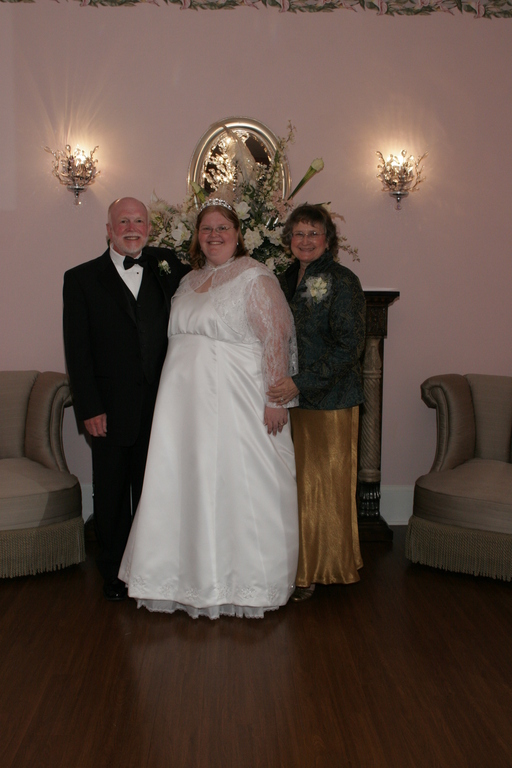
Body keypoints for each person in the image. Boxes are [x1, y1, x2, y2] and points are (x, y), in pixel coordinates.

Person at [119, 199, 299, 619]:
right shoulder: (188, 280)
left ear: (238, 234)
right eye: (206, 229)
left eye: (222, 228)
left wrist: (276, 399)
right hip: (183, 408)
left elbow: (275, 337)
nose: (214, 235)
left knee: (239, 482)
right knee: (186, 483)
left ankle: (245, 582)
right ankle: (182, 578)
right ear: (197, 236)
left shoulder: (255, 276)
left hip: (237, 401)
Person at [63, 197, 190, 601]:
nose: (131, 228)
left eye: (139, 221)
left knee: (157, 491)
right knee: (113, 495)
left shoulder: (168, 266)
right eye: (123, 221)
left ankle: (154, 569)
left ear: (149, 228)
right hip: (109, 409)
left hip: (162, 406)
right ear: (109, 230)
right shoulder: (81, 279)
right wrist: (89, 407)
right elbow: (77, 351)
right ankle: (115, 573)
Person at [268, 204, 366, 601]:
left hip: (330, 402)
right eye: (299, 233)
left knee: (322, 490)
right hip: (291, 402)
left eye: (313, 233)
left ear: (328, 239)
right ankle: (298, 564)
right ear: (288, 239)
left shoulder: (343, 280)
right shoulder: (282, 279)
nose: (305, 240)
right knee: (295, 487)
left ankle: (317, 571)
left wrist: (300, 383)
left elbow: (350, 348)